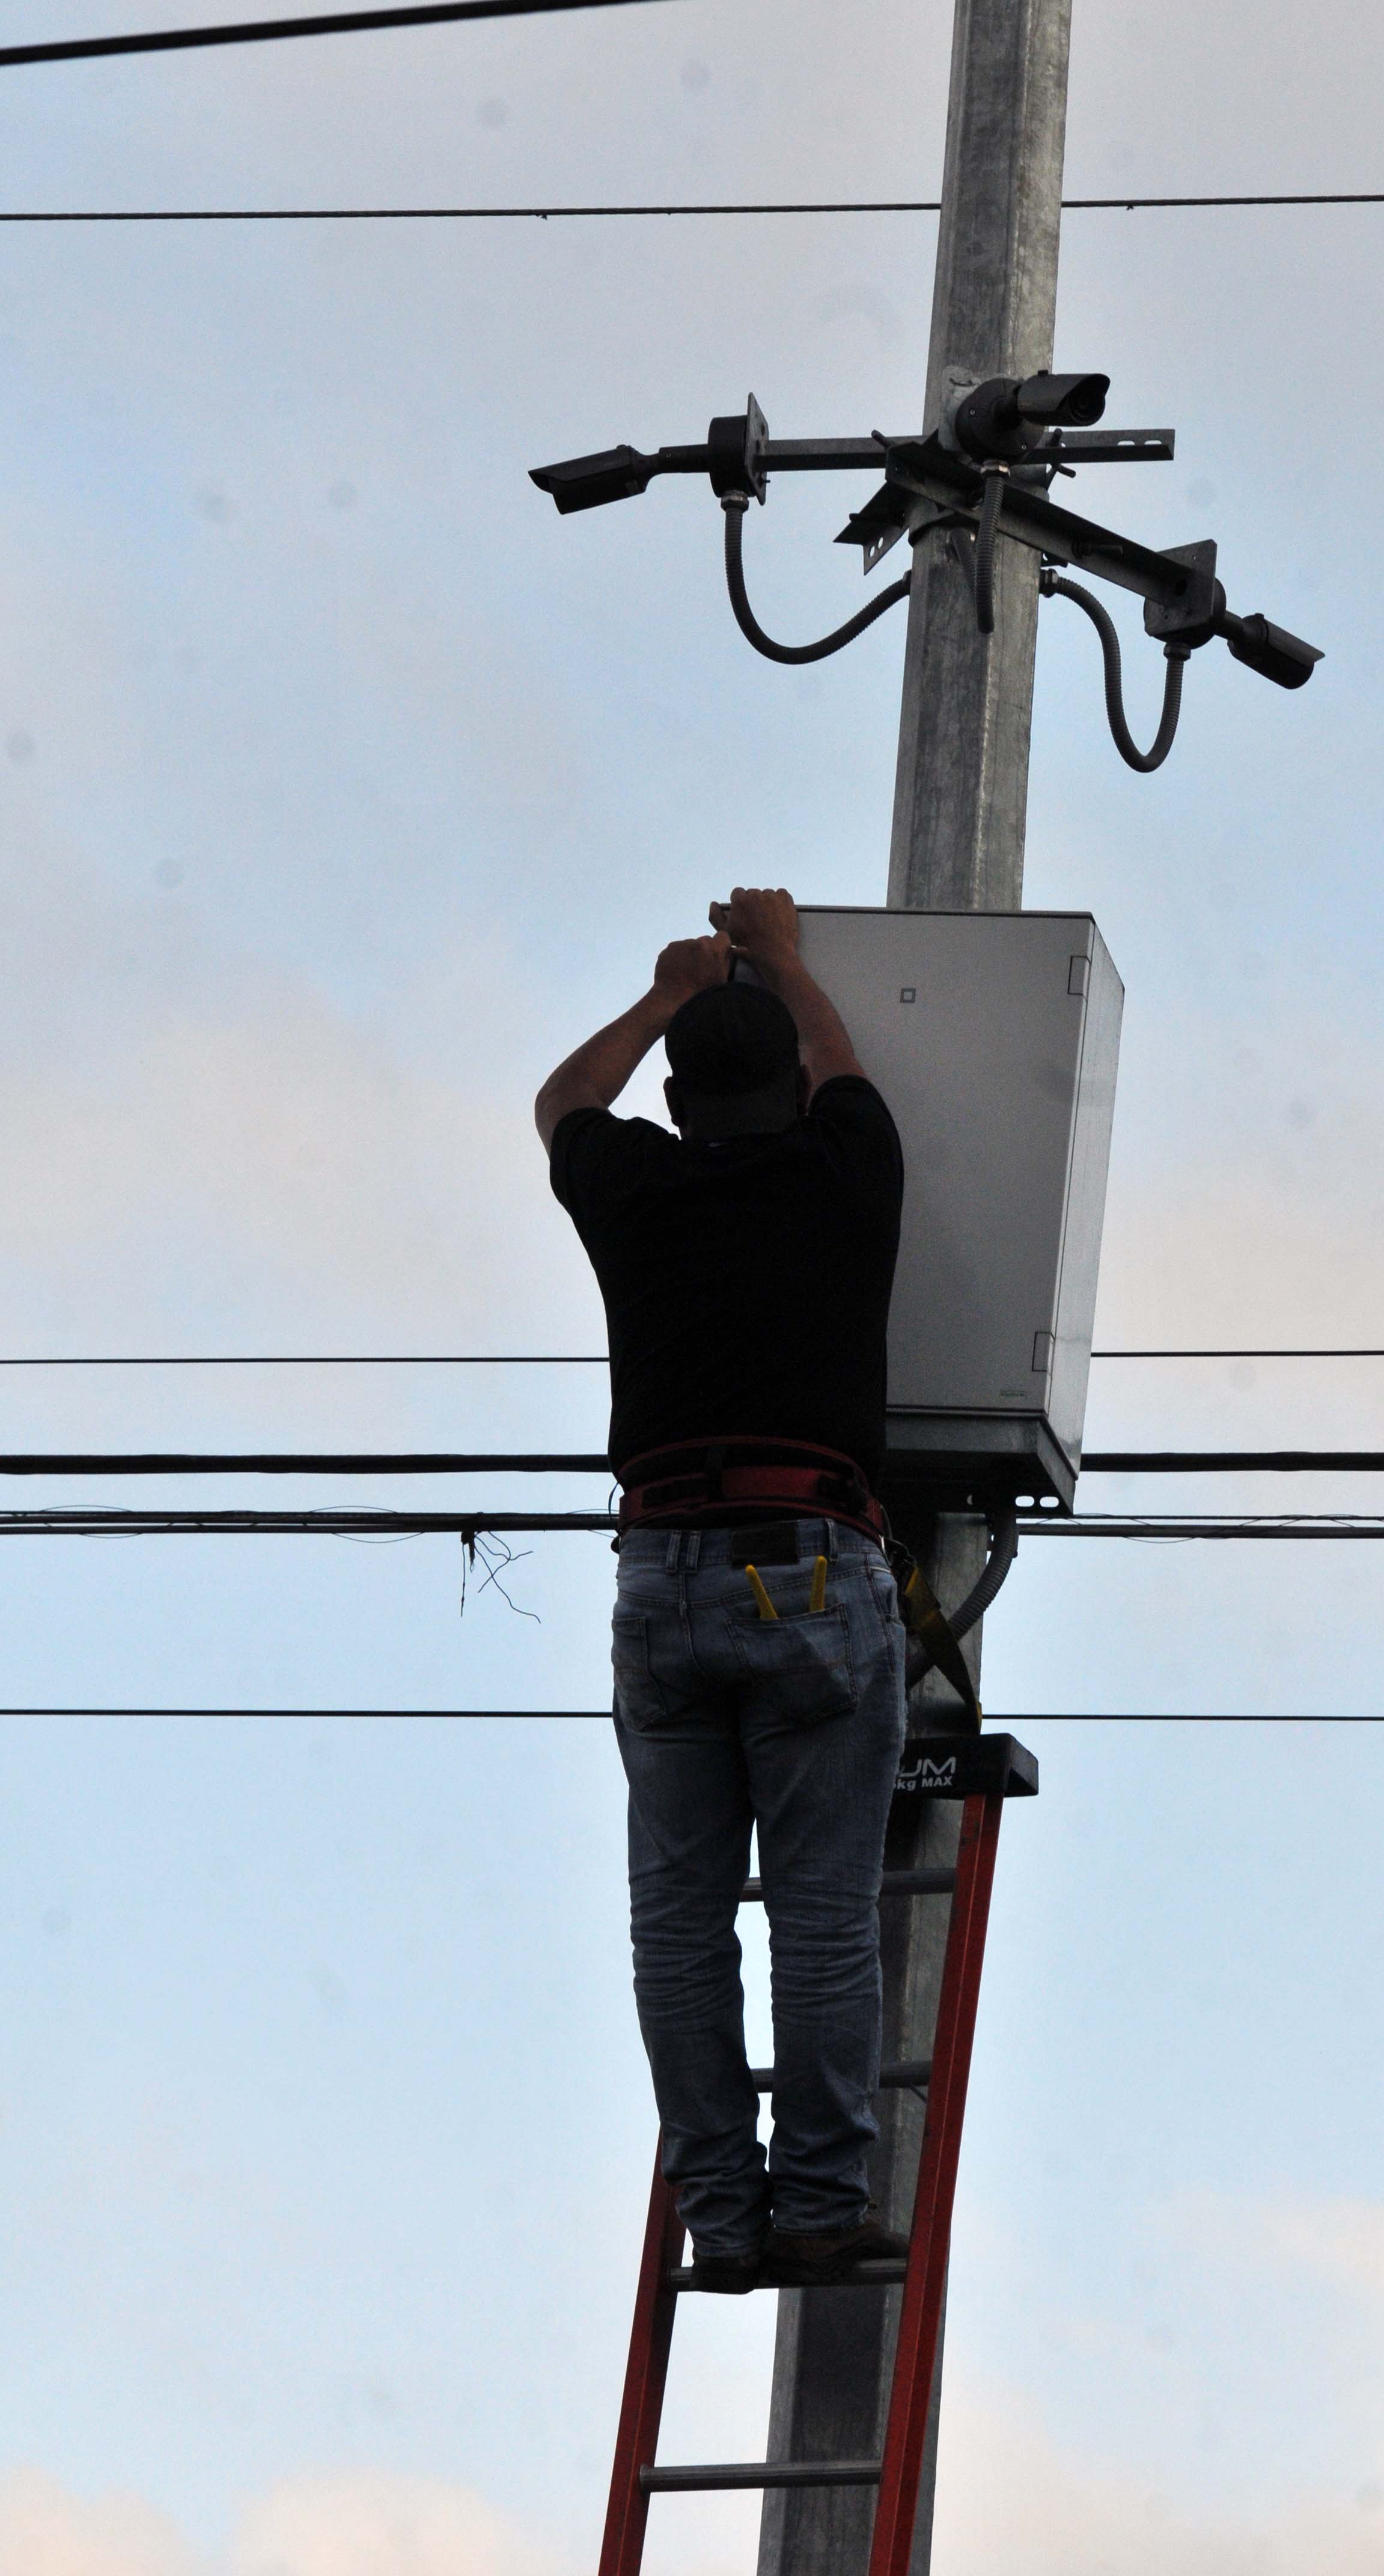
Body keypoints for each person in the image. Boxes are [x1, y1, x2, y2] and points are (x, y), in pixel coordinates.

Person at [535, 886, 910, 2294]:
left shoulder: (635, 1186)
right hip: (809, 1558)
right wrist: (788, 962)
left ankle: (722, 2217)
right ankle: (815, 2203)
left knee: (677, 1921)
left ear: (680, 1097)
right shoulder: (843, 1170)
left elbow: (563, 1100)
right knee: (819, 1914)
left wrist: (662, 994)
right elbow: (845, 1074)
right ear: (785, 1090)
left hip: (663, 1572)